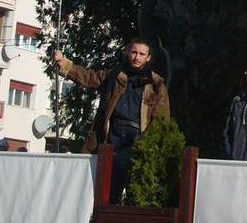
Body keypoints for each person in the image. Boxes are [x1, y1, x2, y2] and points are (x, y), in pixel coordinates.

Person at [53, 38, 170, 204]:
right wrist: (64, 64)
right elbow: (89, 77)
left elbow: (161, 120)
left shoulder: (157, 84)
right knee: (105, 197)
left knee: (136, 199)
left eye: (141, 54)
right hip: (111, 139)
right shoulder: (114, 75)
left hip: (137, 143)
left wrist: (146, 145)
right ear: (127, 52)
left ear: (148, 58)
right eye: (134, 52)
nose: (137, 57)